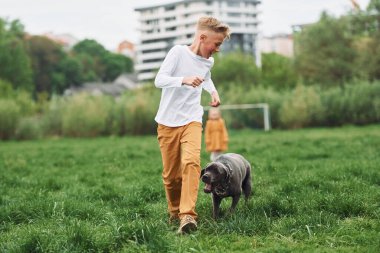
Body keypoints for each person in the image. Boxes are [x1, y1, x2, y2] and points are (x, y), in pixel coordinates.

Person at [154, 16, 230, 234]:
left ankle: (188, 216)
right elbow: (160, 79)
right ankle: (174, 212)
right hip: (167, 122)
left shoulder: (209, 61)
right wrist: (183, 79)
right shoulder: (178, 52)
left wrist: (212, 91)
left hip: (192, 119)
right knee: (171, 177)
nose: (217, 49)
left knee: (191, 163)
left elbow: (206, 77)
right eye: (216, 44)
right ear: (203, 37)